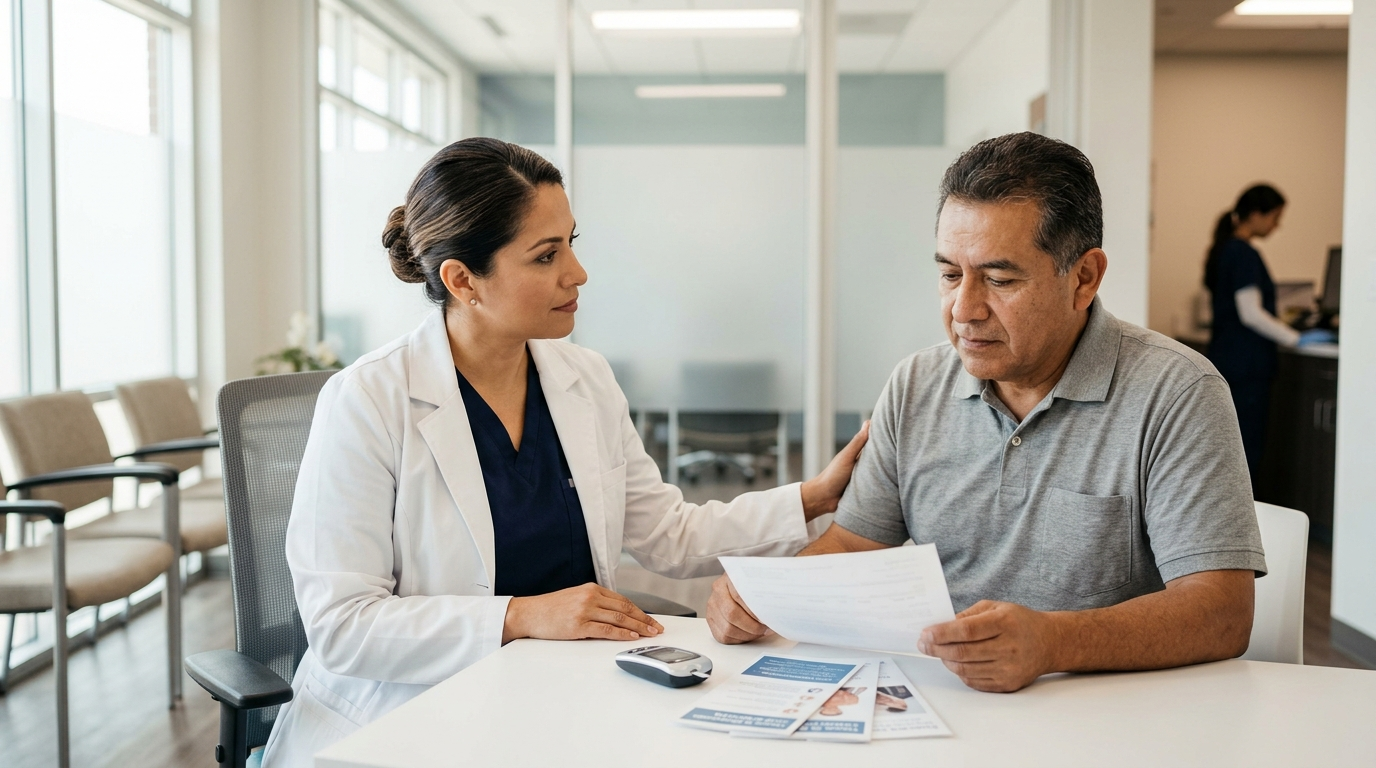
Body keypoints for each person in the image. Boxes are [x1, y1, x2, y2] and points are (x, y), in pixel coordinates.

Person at [262, 138, 868, 766]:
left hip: (567, 697)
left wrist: (814, 497)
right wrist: (520, 617)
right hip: (417, 715)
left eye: (571, 243)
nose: (577, 273)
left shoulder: (585, 378)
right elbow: (343, 626)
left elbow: (667, 534)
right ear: (463, 280)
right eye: (546, 255)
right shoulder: (368, 400)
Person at [707, 132, 1267, 694]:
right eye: (950, 275)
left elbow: (1221, 610)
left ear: (1084, 278)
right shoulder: (915, 384)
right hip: (942, 698)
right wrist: (765, 595)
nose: (964, 310)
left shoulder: (1178, 392)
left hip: (1102, 709)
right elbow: (854, 545)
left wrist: (1054, 643)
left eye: (999, 280)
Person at [1204, 184, 1324, 483]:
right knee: (1246, 452)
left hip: (1228, 361)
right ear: (1256, 214)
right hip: (1247, 368)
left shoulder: (1226, 249)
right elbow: (1251, 313)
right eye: (1275, 217)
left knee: (1228, 451)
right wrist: (1296, 338)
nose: (1276, 226)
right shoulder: (1243, 253)